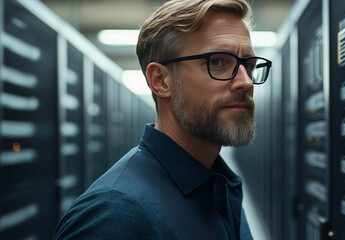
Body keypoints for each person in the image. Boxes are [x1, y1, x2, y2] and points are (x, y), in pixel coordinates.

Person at [53, 0, 272, 239]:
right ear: (160, 80)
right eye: (218, 62)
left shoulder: (219, 185)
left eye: (248, 65)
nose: (246, 82)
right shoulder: (115, 214)